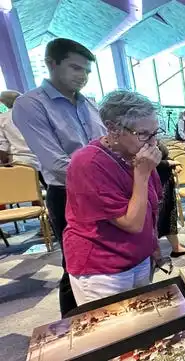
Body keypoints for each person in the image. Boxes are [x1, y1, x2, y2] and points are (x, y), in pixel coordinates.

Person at [12, 38, 107, 316]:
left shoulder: (88, 103)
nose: (83, 76)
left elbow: (104, 145)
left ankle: (106, 323)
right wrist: (107, 176)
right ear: (51, 64)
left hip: (102, 188)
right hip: (68, 193)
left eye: (87, 71)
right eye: (76, 68)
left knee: (105, 259)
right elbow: (56, 164)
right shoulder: (31, 104)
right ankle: (72, 329)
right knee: (76, 263)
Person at [63, 90, 163, 305]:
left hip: (138, 257)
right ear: (113, 129)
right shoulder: (88, 163)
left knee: (143, 325)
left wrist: (153, 246)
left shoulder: (137, 155)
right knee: (113, 334)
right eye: (143, 134)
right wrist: (142, 174)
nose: (153, 142)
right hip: (103, 266)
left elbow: (151, 208)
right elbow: (132, 223)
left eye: (155, 132)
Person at [156, 141, 185, 257]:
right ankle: (154, 253)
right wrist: (170, 163)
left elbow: (162, 155)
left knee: (169, 216)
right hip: (154, 184)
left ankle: (176, 247)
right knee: (156, 219)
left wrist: (174, 164)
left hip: (166, 183)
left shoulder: (151, 136)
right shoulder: (138, 140)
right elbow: (149, 162)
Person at [0, 91, 40, 169]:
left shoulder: (2, 119)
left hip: (20, 163)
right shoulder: (35, 113)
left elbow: (3, 148)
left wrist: (7, 167)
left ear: (3, 102)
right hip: (43, 159)